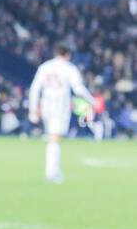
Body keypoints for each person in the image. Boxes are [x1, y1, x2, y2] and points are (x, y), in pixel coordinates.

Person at [27, 44, 93, 183]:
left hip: (46, 106)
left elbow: (35, 88)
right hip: (60, 107)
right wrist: (91, 99)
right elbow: (78, 88)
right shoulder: (69, 68)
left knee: (52, 137)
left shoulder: (45, 67)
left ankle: (53, 171)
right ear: (67, 55)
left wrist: (33, 108)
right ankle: (51, 173)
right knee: (55, 139)